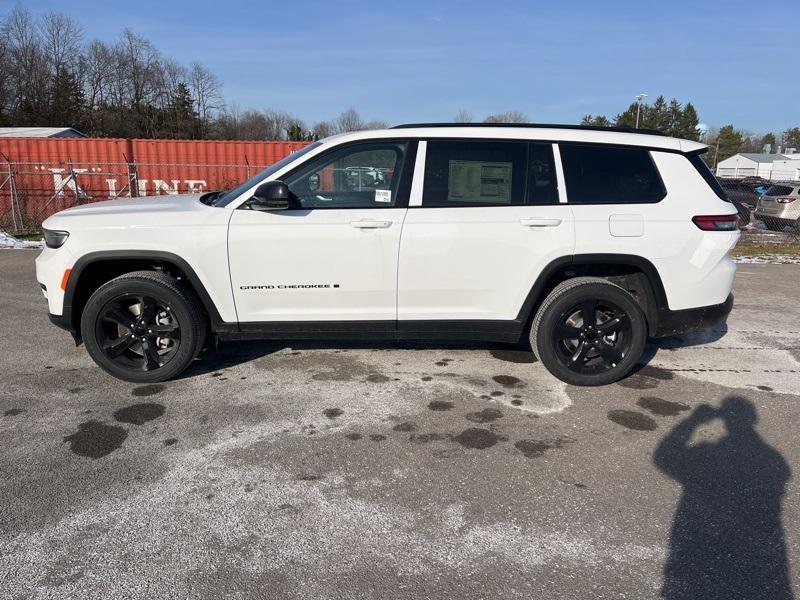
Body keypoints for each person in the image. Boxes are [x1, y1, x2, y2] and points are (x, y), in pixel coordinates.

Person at [653, 396, 793, 600]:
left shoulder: (710, 451)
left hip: (701, 537)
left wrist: (693, 421)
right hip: (758, 546)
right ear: (753, 419)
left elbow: (664, 457)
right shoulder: (775, 460)